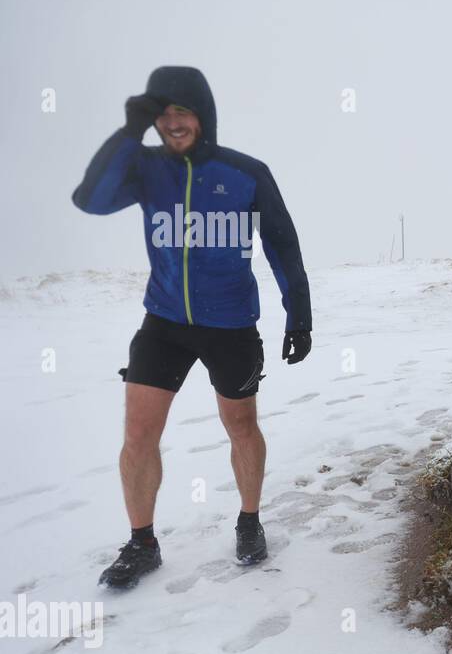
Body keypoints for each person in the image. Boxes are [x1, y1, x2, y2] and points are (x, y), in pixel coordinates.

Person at [72, 66, 312, 589]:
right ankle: (142, 543)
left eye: (184, 111)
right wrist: (128, 131)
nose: (173, 122)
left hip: (230, 327)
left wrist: (299, 315)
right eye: (163, 113)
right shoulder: (145, 168)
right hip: (163, 323)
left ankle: (249, 522)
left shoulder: (246, 172)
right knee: (138, 434)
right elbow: (89, 199)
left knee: (241, 426)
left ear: (203, 115)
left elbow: (282, 244)